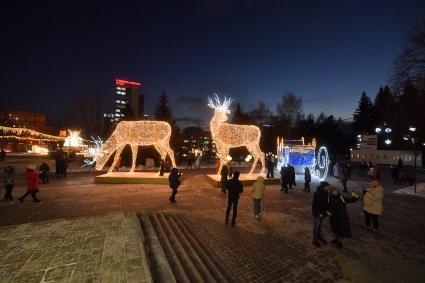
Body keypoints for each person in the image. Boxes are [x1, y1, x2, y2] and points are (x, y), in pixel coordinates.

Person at [312, 181, 331, 248]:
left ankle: (319, 237)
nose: (329, 188)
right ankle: (315, 240)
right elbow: (315, 205)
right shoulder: (318, 193)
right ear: (324, 187)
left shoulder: (326, 193)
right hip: (318, 213)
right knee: (316, 226)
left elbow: (326, 203)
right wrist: (318, 213)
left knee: (320, 225)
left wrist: (326, 212)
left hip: (322, 213)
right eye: (328, 187)